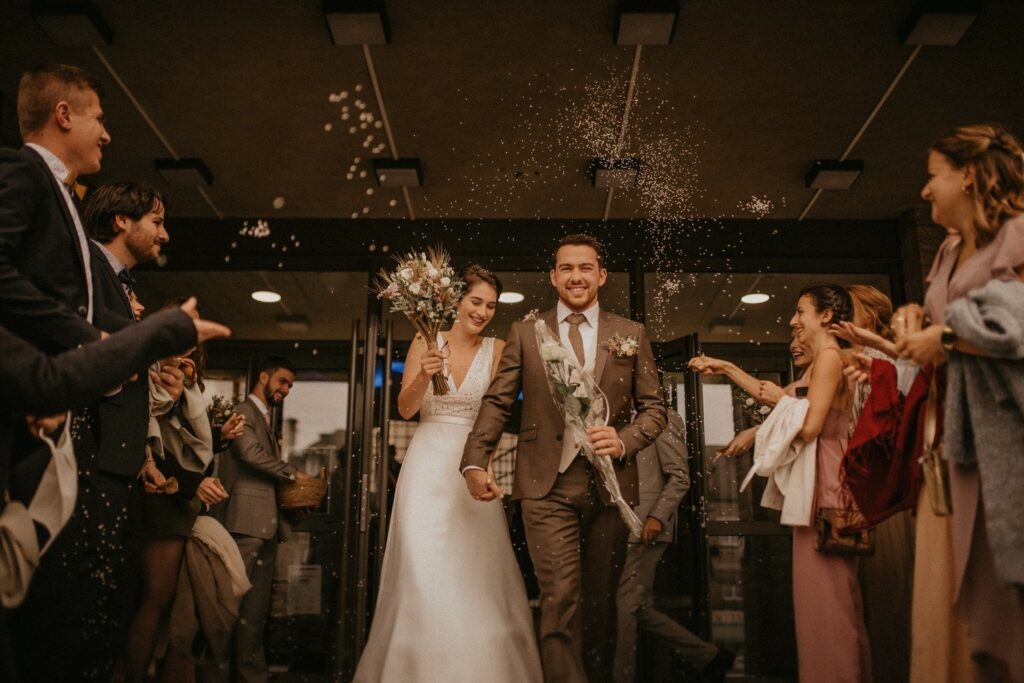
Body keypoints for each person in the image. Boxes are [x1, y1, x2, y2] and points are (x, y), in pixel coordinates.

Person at [462, 235, 667, 683]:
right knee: (560, 596)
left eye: (585, 268)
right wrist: (475, 460)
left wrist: (624, 439)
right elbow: (498, 401)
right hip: (545, 485)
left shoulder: (630, 333)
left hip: (611, 488)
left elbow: (656, 409)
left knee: (599, 605)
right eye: (567, 268)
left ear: (601, 275)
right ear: (553, 276)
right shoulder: (526, 332)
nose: (576, 277)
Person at [2, 299, 230, 682]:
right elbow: (143, 430)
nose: (136, 303)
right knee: (143, 599)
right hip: (136, 489)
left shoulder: (172, 383)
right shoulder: (139, 363)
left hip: (149, 488)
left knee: (130, 599)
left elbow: (154, 427)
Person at [355, 265, 542, 682]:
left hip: (472, 464)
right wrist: (424, 374)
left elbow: (495, 416)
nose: (483, 312)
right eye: (476, 301)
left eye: (491, 306)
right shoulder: (425, 339)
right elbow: (405, 409)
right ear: (456, 300)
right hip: (425, 466)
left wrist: (486, 464)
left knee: (476, 568)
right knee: (423, 567)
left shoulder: (497, 349)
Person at [896, 123, 1024, 682]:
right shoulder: (948, 251)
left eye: (933, 176)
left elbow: (1013, 327)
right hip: (948, 438)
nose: (926, 190)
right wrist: (911, 320)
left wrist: (945, 337)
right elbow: (939, 322)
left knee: (1001, 592)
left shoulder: (1018, 235)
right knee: (943, 603)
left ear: (968, 175)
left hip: (1004, 443)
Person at [123, 303, 241, 683]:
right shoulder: (154, 370)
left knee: (171, 599)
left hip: (178, 499)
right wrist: (191, 483)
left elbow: (184, 440)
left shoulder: (182, 379)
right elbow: (153, 442)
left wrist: (218, 437)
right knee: (156, 598)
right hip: (161, 495)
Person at [785, 284, 872, 683]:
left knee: (827, 603)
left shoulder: (831, 358)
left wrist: (778, 425)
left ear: (824, 316)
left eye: (800, 311)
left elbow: (811, 426)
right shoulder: (826, 361)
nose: (793, 321)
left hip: (826, 484)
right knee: (827, 601)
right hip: (821, 477)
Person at [205, 356, 309, 682]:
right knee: (229, 608)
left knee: (254, 613)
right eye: (282, 381)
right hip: (243, 525)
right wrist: (293, 474)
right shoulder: (242, 411)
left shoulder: (264, 418)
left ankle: (252, 676)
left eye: (290, 385)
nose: (286, 389)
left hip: (266, 528)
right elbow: (249, 454)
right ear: (263, 377)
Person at [614, 408, 734, 683]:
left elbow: (680, 476)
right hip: (621, 525)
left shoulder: (662, 417)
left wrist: (657, 516)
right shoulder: (616, 411)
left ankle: (621, 677)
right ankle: (709, 658)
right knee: (638, 607)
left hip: (645, 526)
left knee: (624, 608)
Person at [0, 64, 110, 352]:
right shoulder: (23, 170)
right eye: (99, 119)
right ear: (64, 115)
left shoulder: (68, 196)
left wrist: (158, 336)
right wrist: (84, 336)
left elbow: (84, 307)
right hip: (26, 371)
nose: (106, 136)